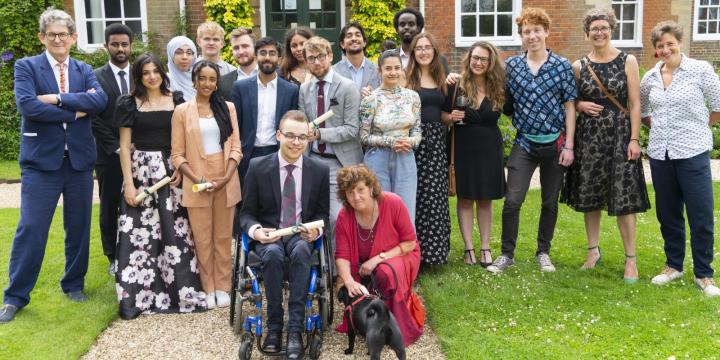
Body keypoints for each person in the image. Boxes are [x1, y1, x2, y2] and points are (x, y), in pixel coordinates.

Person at [0, 8, 107, 324]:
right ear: (42, 37)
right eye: (52, 34)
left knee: (78, 227)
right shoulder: (26, 67)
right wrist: (75, 110)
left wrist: (57, 99)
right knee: (31, 228)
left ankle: (73, 285)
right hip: (40, 164)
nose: (58, 39)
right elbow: (28, 106)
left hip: (78, 161)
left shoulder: (85, 69)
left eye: (63, 34)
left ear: (73, 38)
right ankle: (14, 297)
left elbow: (99, 102)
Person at [115, 53, 206, 319]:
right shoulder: (128, 103)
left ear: (163, 73)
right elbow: (123, 147)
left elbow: (185, 139)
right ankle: (139, 297)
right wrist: (129, 186)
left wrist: (179, 167)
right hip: (141, 171)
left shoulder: (177, 100)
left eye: (156, 71)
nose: (152, 77)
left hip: (172, 172)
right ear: (138, 77)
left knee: (175, 232)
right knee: (140, 235)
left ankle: (181, 293)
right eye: (146, 73)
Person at [486, 7, 577, 274]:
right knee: (513, 200)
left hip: (556, 144)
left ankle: (543, 252)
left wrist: (569, 145)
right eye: (527, 31)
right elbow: (494, 90)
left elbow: (570, 105)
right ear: (521, 36)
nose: (532, 36)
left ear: (546, 32)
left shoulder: (561, 65)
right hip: (525, 143)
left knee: (549, 202)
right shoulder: (512, 66)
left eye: (537, 30)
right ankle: (506, 254)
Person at [561, 8, 649, 283]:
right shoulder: (578, 66)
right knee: (590, 198)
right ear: (587, 33)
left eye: (604, 28)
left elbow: (635, 104)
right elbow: (570, 102)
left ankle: (631, 260)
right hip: (590, 138)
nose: (599, 33)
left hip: (620, 135)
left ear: (611, 30)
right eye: (594, 29)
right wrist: (579, 103)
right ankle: (592, 252)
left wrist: (634, 139)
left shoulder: (628, 60)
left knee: (624, 199)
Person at [239, 110, 329, 359]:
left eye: (302, 137)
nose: (296, 142)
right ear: (278, 135)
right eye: (290, 135)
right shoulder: (258, 167)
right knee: (273, 255)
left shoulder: (319, 170)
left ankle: (296, 331)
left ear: (308, 139)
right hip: (271, 235)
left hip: (301, 236)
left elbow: (324, 214)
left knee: (301, 250)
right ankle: (275, 328)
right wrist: (257, 231)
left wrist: (316, 229)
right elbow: (245, 214)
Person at [640, 21, 720, 297]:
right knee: (668, 214)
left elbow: (718, 106)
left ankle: (704, 274)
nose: (665, 49)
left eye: (669, 43)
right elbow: (641, 111)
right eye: (660, 45)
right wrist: (659, 128)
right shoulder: (650, 77)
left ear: (679, 43)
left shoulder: (700, 70)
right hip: (661, 154)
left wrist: (700, 126)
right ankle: (673, 265)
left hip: (693, 152)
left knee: (700, 213)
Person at [171, 60, 242, 309]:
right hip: (196, 179)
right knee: (202, 238)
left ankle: (223, 286)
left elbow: (236, 148)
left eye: (213, 79)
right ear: (194, 80)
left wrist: (226, 176)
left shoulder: (228, 108)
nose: (208, 84)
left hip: (225, 176)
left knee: (223, 237)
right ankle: (208, 287)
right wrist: (196, 178)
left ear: (217, 82)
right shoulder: (182, 111)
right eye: (203, 78)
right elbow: (177, 154)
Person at [335, 164, 425, 346]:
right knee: (351, 290)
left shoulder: (393, 203)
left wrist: (378, 259)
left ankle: (395, 326)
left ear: (371, 188)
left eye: (360, 190)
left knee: (384, 273)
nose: (356, 197)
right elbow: (342, 255)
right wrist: (349, 280)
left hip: (400, 255)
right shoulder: (344, 215)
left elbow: (409, 243)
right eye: (350, 192)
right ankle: (371, 323)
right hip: (362, 265)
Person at [300, 36, 363, 272]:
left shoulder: (347, 87)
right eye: (311, 58)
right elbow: (302, 120)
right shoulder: (305, 89)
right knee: (311, 215)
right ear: (306, 62)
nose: (317, 62)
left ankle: (337, 271)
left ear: (330, 56)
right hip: (312, 161)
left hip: (339, 163)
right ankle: (315, 264)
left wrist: (320, 135)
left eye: (321, 56)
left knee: (337, 217)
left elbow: (351, 129)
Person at [445, 41, 506, 267]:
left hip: (490, 148)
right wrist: (450, 116)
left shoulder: (499, 87)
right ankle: (469, 248)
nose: (478, 63)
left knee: (485, 200)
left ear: (491, 63)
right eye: (475, 58)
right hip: (463, 147)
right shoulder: (456, 85)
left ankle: (485, 247)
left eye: (484, 59)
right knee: (465, 198)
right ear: (468, 59)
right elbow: (443, 113)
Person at [360, 50, 422, 225]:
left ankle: (406, 251)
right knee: (379, 210)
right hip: (377, 158)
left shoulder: (413, 97)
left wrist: (410, 142)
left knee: (405, 210)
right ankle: (380, 251)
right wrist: (390, 141)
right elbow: (364, 136)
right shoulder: (370, 100)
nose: (393, 72)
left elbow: (417, 131)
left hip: (405, 156)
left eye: (397, 68)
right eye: (388, 68)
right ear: (380, 71)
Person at [405, 33, 451, 266]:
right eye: (418, 48)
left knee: (435, 198)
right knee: (415, 196)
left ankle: (434, 253)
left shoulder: (441, 77)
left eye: (427, 47)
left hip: (436, 142)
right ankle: (413, 254)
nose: (423, 51)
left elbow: (439, 112)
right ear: (413, 53)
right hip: (412, 142)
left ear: (434, 51)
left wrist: (450, 116)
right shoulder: (406, 78)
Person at [92, 23, 134, 275]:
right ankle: (112, 256)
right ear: (106, 45)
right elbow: (93, 118)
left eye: (124, 44)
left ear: (131, 46)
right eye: (115, 44)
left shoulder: (141, 73)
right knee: (109, 205)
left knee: (137, 202)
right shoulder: (94, 77)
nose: (120, 48)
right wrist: (118, 148)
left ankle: (137, 251)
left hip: (140, 153)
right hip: (108, 156)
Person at [231, 36, 299, 184]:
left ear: (279, 59)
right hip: (248, 154)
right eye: (263, 53)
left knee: (276, 201)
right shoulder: (240, 88)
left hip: (278, 152)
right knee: (248, 203)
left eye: (272, 53)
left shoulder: (291, 90)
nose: (267, 57)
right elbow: (234, 126)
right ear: (256, 57)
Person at [332, 22, 381, 98]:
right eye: (349, 36)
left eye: (358, 35)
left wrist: (374, 95)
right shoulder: (334, 72)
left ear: (364, 42)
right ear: (342, 44)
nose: (354, 39)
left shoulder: (377, 70)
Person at [393, 8, 449, 73]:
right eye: (402, 24)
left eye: (411, 24)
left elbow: (445, 82)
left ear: (418, 28)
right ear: (397, 29)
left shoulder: (439, 60)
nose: (406, 27)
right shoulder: (389, 58)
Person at [219, 27, 257, 99]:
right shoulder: (223, 82)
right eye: (236, 48)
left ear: (255, 47)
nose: (241, 52)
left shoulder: (274, 76)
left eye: (245, 46)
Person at [167, 35, 197, 100]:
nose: (184, 57)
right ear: (171, 55)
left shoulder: (201, 79)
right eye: (178, 52)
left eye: (189, 53)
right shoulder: (165, 82)